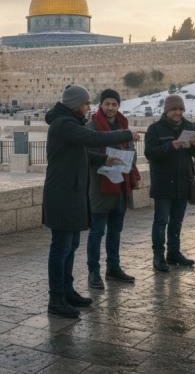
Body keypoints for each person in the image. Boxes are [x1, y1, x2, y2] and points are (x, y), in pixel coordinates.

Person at [42, 85, 138, 318]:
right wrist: (126, 134)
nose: (88, 107)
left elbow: (84, 152)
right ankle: (56, 299)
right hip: (62, 195)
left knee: (71, 245)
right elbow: (93, 138)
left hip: (73, 194)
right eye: (86, 104)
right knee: (61, 248)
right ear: (76, 104)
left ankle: (67, 291)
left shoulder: (70, 123)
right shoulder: (64, 124)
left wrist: (107, 157)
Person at [85, 89, 140, 289]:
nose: (110, 108)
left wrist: (128, 161)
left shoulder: (124, 125)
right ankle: (93, 271)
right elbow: (86, 154)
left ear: (118, 106)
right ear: (101, 105)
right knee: (97, 232)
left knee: (116, 231)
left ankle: (113, 268)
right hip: (100, 187)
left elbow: (131, 152)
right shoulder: (91, 126)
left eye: (114, 104)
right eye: (107, 104)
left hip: (120, 186)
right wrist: (105, 160)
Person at [145, 94, 195, 272]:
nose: (178, 112)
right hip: (163, 183)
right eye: (174, 109)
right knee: (161, 221)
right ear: (167, 111)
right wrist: (171, 146)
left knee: (177, 221)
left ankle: (173, 253)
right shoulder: (155, 129)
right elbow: (150, 153)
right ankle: (158, 256)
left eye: (180, 109)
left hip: (183, 181)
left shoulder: (189, 127)